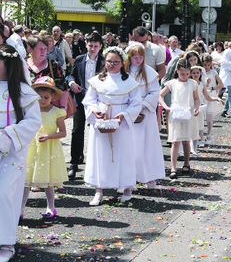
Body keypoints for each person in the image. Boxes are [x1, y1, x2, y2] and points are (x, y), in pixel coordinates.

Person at [82, 47, 142, 205]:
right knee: (100, 154)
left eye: (116, 62)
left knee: (124, 154)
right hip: (102, 119)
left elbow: (136, 102)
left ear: (122, 63)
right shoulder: (97, 80)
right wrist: (95, 111)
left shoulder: (129, 81)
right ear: (104, 61)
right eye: (109, 61)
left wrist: (124, 114)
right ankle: (98, 190)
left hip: (121, 122)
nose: (112, 64)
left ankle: (127, 188)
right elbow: (89, 100)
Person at [0, 44, 41, 262]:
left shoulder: (23, 92)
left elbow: (33, 121)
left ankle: (5, 242)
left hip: (11, 153)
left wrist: (6, 137)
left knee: (5, 193)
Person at [23, 77, 67, 219]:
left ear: (52, 96)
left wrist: (49, 136)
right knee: (26, 181)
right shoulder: (31, 110)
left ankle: (51, 206)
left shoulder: (56, 112)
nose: (42, 100)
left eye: (46, 97)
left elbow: (63, 132)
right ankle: (20, 210)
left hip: (48, 149)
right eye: (39, 97)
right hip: (32, 149)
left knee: (48, 181)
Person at [65, 32, 104, 180]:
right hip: (81, 99)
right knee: (77, 130)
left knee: (98, 130)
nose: (93, 48)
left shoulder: (104, 61)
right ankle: (74, 164)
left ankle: (98, 164)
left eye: (96, 46)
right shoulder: (80, 59)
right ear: (86, 44)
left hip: (98, 101)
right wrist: (72, 83)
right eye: (90, 45)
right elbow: (70, 75)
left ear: (100, 47)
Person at [125, 42, 165, 188]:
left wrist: (141, 105)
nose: (137, 60)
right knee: (129, 147)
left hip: (144, 114)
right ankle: (129, 177)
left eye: (140, 56)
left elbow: (155, 92)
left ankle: (149, 176)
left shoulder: (149, 72)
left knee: (147, 146)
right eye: (134, 56)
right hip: (128, 114)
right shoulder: (124, 72)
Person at [159, 57, 200, 178]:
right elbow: (160, 95)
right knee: (175, 141)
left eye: (187, 74)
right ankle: (173, 167)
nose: (185, 76)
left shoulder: (192, 83)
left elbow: (196, 98)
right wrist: (166, 106)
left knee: (186, 140)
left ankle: (186, 163)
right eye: (182, 73)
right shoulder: (172, 83)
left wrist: (197, 107)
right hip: (175, 114)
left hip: (188, 113)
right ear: (177, 71)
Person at [190, 65, 221, 152]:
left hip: (200, 107)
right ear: (191, 74)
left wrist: (217, 98)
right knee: (192, 127)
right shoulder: (189, 83)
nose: (196, 74)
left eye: (197, 73)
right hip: (191, 107)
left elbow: (207, 97)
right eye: (194, 73)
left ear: (200, 74)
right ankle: (191, 147)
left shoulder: (201, 84)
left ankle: (196, 146)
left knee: (200, 126)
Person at [201, 54, 224, 144]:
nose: (206, 67)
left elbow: (221, 84)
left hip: (211, 94)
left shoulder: (213, 72)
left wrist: (212, 88)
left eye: (208, 65)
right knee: (201, 116)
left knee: (209, 117)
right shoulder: (200, 72)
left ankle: (209, 134)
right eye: (204, 65)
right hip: (202, 95)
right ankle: (201, 135)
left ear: (211, 64)